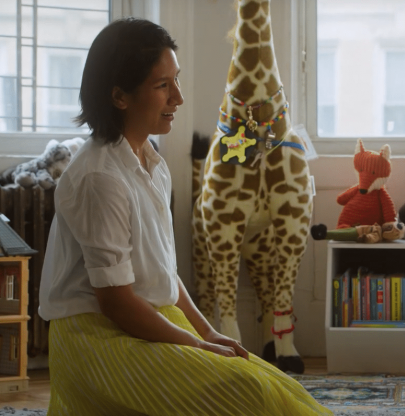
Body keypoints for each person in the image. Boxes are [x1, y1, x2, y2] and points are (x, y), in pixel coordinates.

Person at [39, 18, 331, 416]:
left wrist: (208, 330)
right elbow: (116, 303)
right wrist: (195, 344)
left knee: (280, 387)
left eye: (176, 80)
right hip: (98, 336)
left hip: (150, 316)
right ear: (120, 97)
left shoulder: (152, 163)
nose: (178, 97)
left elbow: (162, 270)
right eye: (163, 86)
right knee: (247, 392)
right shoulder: (99, 178)